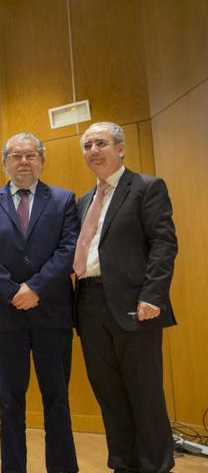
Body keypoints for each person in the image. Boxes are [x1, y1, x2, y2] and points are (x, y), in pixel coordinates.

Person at [0, 133, 79, 473]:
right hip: (4, 318)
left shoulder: (63, 200)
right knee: (10, 403)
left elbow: (68, 249)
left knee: (57, 401)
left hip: (52, 314)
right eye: (16, 156)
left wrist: (36, 289)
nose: (23, 162)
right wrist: (14, 292)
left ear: (42, 160)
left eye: (30, 155)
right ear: (5, 162)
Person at [74, 122, 177, 473]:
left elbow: (163, 244)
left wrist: (153, 296)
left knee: (144, 393)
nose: (93, 151)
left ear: (120, 149)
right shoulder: (83, 200)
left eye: (100, 143)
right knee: (109, 394)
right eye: (87, 145)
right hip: (89, 305)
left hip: (136, 306)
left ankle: (155, 466)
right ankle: (123, 465)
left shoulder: (146, 187)